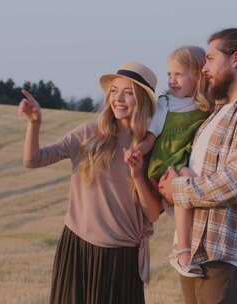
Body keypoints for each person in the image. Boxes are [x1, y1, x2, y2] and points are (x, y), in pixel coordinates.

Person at [158, 28, 237, 304]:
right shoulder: (218, 112)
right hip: (197, 254)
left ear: (235, 59)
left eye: (210, 59)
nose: (204, 68)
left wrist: (178, 189)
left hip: (226, 256)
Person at [19, 62, 162, 304]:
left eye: (128, 92)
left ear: (142, 100)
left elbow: (153, 213)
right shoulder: (88, 134)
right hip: (78, 247)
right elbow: (33, 160)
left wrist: (137, 175)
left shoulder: (151, 148)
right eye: (114, 91)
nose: (118, 98)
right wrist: (34, 124)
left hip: (122, 255)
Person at [126, 46, 237, 278]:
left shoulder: (208, 103)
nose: (172, 81)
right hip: (167, 163)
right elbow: (151, 137)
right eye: (169, 75)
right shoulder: (165, 104)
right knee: (187, 185)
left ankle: (192, 247)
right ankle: (183, 251)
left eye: (179, 74)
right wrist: (138, 152)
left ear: (198, 75)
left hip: (183, 162)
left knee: (192, 188)